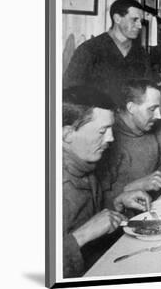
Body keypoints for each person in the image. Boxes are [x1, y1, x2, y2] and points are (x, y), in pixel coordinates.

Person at [62, 86, 151, 278]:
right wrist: (81, 236)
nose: (110, 138)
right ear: (67, 134)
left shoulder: (84, 166)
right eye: (102, 131)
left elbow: (94, 219)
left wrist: (117, 204)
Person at [63, 0, 152, 103]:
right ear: (117, 18)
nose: (139, 25)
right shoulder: (89, 49)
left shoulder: (141, 54)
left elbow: (148, 91)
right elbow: (70, 91)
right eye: (134, 20)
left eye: (141, 21)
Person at [96, 79, 161, 209]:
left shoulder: (147, 130)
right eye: (152, 109)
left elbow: (158, 170)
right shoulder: (106, 140)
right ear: (131, 108)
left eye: (159, 108)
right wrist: (134, 187)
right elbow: (97, 206)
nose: (159, 116)